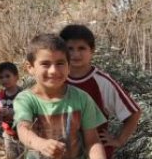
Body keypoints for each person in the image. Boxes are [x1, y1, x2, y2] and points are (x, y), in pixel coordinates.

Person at [13, 34, 106, 159]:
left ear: (68, 67)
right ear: (30, 68)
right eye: (45, 64)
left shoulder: (82, 98)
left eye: (60, 63)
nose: (54, 71)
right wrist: (40, 144)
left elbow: (93, 141)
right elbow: (23, 130)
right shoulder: (25, 99)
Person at [60, 24, 143, 158]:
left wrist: (119, 140)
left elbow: (134, 112)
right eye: (70, 49)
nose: (75, 54)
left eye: (82, 48)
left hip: (96, 152)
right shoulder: (55, 78)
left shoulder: (102, 81)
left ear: (92, 50)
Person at [0, 62, 24, 159]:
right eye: (1, 77)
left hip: (24, 132)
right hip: (8, 133)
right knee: (11, 156)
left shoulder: (24, 94)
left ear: (16, 77)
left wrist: (11, 112)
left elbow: (27, 111)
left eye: (7, 76)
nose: (4, 79)